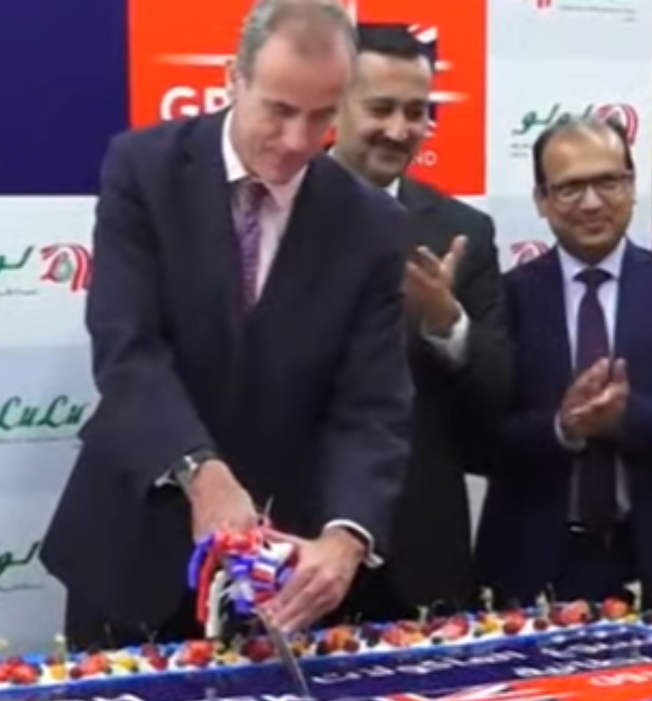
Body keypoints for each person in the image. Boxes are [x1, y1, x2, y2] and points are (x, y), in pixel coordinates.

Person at [40, 0, 412, 648]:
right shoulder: (144, 168)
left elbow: (372, 405)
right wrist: (201, 472)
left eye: (322, 116)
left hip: (282, 580)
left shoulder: (370, 224)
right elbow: (128, 349)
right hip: (135, 552)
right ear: (232, 79)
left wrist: (346, 535)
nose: (298, 140)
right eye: (279, 110)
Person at [474, 114, 652, 608]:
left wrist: (631, 419)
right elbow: (480, 436)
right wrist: (563, 428)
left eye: (608, 182)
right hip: (535, 567)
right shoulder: (511, 298)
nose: (592, 203)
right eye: (570, 188)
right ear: (542, 200)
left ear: (632, 187)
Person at [329, 24, 510, 616]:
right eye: (380, 108)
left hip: (420, 553)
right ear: (336, 103)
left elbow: (499, 393)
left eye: (416, 111)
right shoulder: (273, 214)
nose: (400, 129)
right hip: (295, 548)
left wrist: (447, 322)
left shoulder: (463, 232)